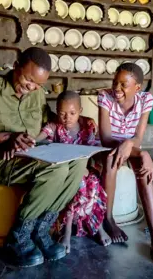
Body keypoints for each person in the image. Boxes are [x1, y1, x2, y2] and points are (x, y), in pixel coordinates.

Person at [0, 47, 87, 268]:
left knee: (78, 163)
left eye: (38, 84)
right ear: (16, 66)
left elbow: (50, 122)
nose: (32, 88)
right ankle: (18, 236)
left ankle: (40, 231)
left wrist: (80, 123)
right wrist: (7, 137)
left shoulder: (36, 93)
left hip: (30, 153)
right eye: (29, 80)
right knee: (55, 170)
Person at [96, 63, 153, 271]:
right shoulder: (104, 97)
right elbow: (106, 139)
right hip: (108, 148)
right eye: (115, 82)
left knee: (144, 170)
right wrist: (138, 150)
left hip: (132, 148)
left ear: (138, 88)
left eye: (124, 84)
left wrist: (138, 151)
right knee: (111, 159)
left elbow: (138, 137)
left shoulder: (146, 100)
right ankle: (108, 219)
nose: (117, 88)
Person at [35, 91, 112, 253]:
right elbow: (39, 138)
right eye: (62, 113)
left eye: (72, 113)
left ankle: (97, 227)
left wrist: (89, 166)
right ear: (56, 111)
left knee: (92, 182)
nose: (67, 118)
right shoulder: (54, 126)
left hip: (86, 168)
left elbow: (94, 149)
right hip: (66, 171)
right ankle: (68, 229)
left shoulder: (89, 125)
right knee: (80, 183)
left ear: (80, 110)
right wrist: (32, 140)